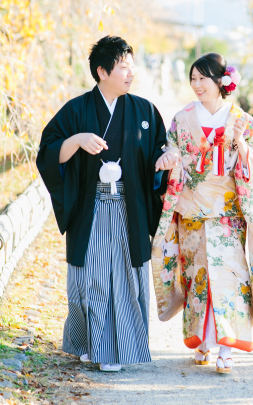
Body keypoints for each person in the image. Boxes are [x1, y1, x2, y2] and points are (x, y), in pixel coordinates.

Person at [36, 36, 168, 372]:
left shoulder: (144, 111)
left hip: (128, 208)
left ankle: (115, 350)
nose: (130, 73)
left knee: (125, 277)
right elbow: (48, 154)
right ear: (102, 72)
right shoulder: (77, 110)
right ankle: (88, 342)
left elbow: (158, 152)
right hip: (91, 207)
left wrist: (164, 160)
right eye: (123, 67)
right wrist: (77, 140)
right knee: (90, 276)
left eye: (131, 67)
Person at [152, 53, 253, 375]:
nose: (196, 85)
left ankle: (226, 347)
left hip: (227, 212)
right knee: (198, 276)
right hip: (192, 210)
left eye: (202, 78)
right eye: (193, 79)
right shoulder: (182, 118)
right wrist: (170, 157)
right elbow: (172, 147)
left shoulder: (240, 119)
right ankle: (204, 341)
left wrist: (240, 142)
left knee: (228, 276)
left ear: (221, 81)